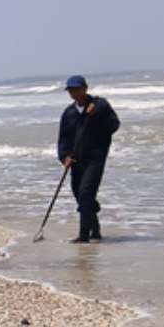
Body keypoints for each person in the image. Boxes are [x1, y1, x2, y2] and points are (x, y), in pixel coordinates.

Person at [57, 75, 120, 243]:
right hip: (76, 160)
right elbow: (63, 138)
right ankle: (96, 229)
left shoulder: (100, 105)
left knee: (85, 193)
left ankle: (84, 235)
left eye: (77, 90)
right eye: (71, 91)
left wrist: (97, 114)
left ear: (85, 88)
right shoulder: (69, 113)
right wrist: (64, 157)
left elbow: (114, 126)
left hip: (96, 157)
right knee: (80, 195)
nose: (74, 94)